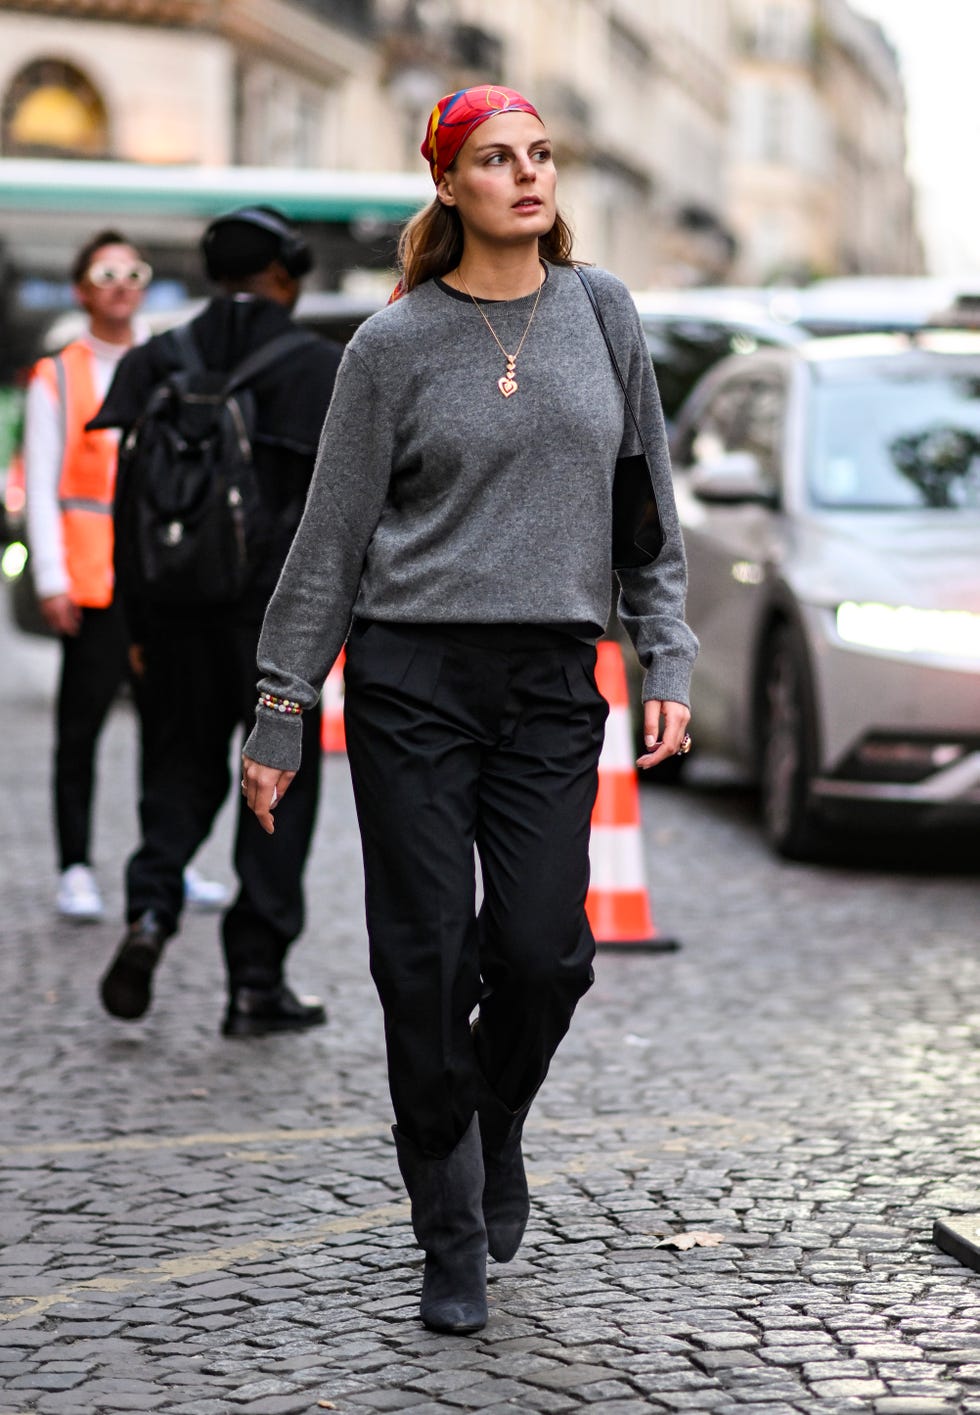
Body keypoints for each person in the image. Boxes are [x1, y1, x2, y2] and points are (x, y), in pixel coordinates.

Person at [241, 87, 697, 1332]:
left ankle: (493, 1116)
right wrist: (280, 709)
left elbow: (643, 507)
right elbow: (327, 542)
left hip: (553, 677)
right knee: (424, 956)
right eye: (496, 159)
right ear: (447, 184)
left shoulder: (601, 311)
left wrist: (664, 653)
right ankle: (445, 1219)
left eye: (541, 154)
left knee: (547, 952)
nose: (527, 175)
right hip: (412, 680)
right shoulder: (389, 348)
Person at [91, 207, 342, 1036]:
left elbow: (125, 500)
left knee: (176, 766)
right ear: (287, 270)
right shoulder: (316, 368)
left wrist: (132, 615)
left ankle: (152, 911)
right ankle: (254, 982)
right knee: (280, 788)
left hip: (169, 610)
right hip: (278, 623)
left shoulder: (160, 357)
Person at [23, 230, 227, 923]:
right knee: (79, 728)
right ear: (82, 288)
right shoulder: (57, 375)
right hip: (92, 579)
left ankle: (167, 856)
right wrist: (51, 576)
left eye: (132, 271)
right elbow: (45, 483)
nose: (120, 283)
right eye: (104, 271)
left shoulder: (171, 363)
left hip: (163, 572)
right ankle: (75, 864)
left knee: (168, 727)